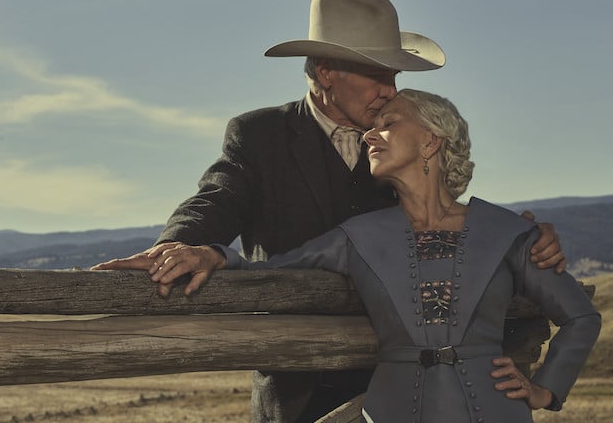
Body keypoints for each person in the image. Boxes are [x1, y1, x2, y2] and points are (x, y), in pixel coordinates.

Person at [92, 0, 566, 423]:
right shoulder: (260, 136)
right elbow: (216, 200)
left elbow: (448, 217)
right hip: (297, 386)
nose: (390, 90)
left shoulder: (399, 141)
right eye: (378, 74)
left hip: (401, 386)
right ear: (326, 72)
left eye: (394, 76)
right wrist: (183, 245)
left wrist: (525, 236)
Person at [136, 89, 601, 423]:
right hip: (389, 411)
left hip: (495, 411)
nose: (369, 136)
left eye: (388, 124)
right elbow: (270, 270)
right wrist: (211, 254)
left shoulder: (508, 232)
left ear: (430, 141)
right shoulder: (356, 236)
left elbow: (580, 317)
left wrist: (545, 389)